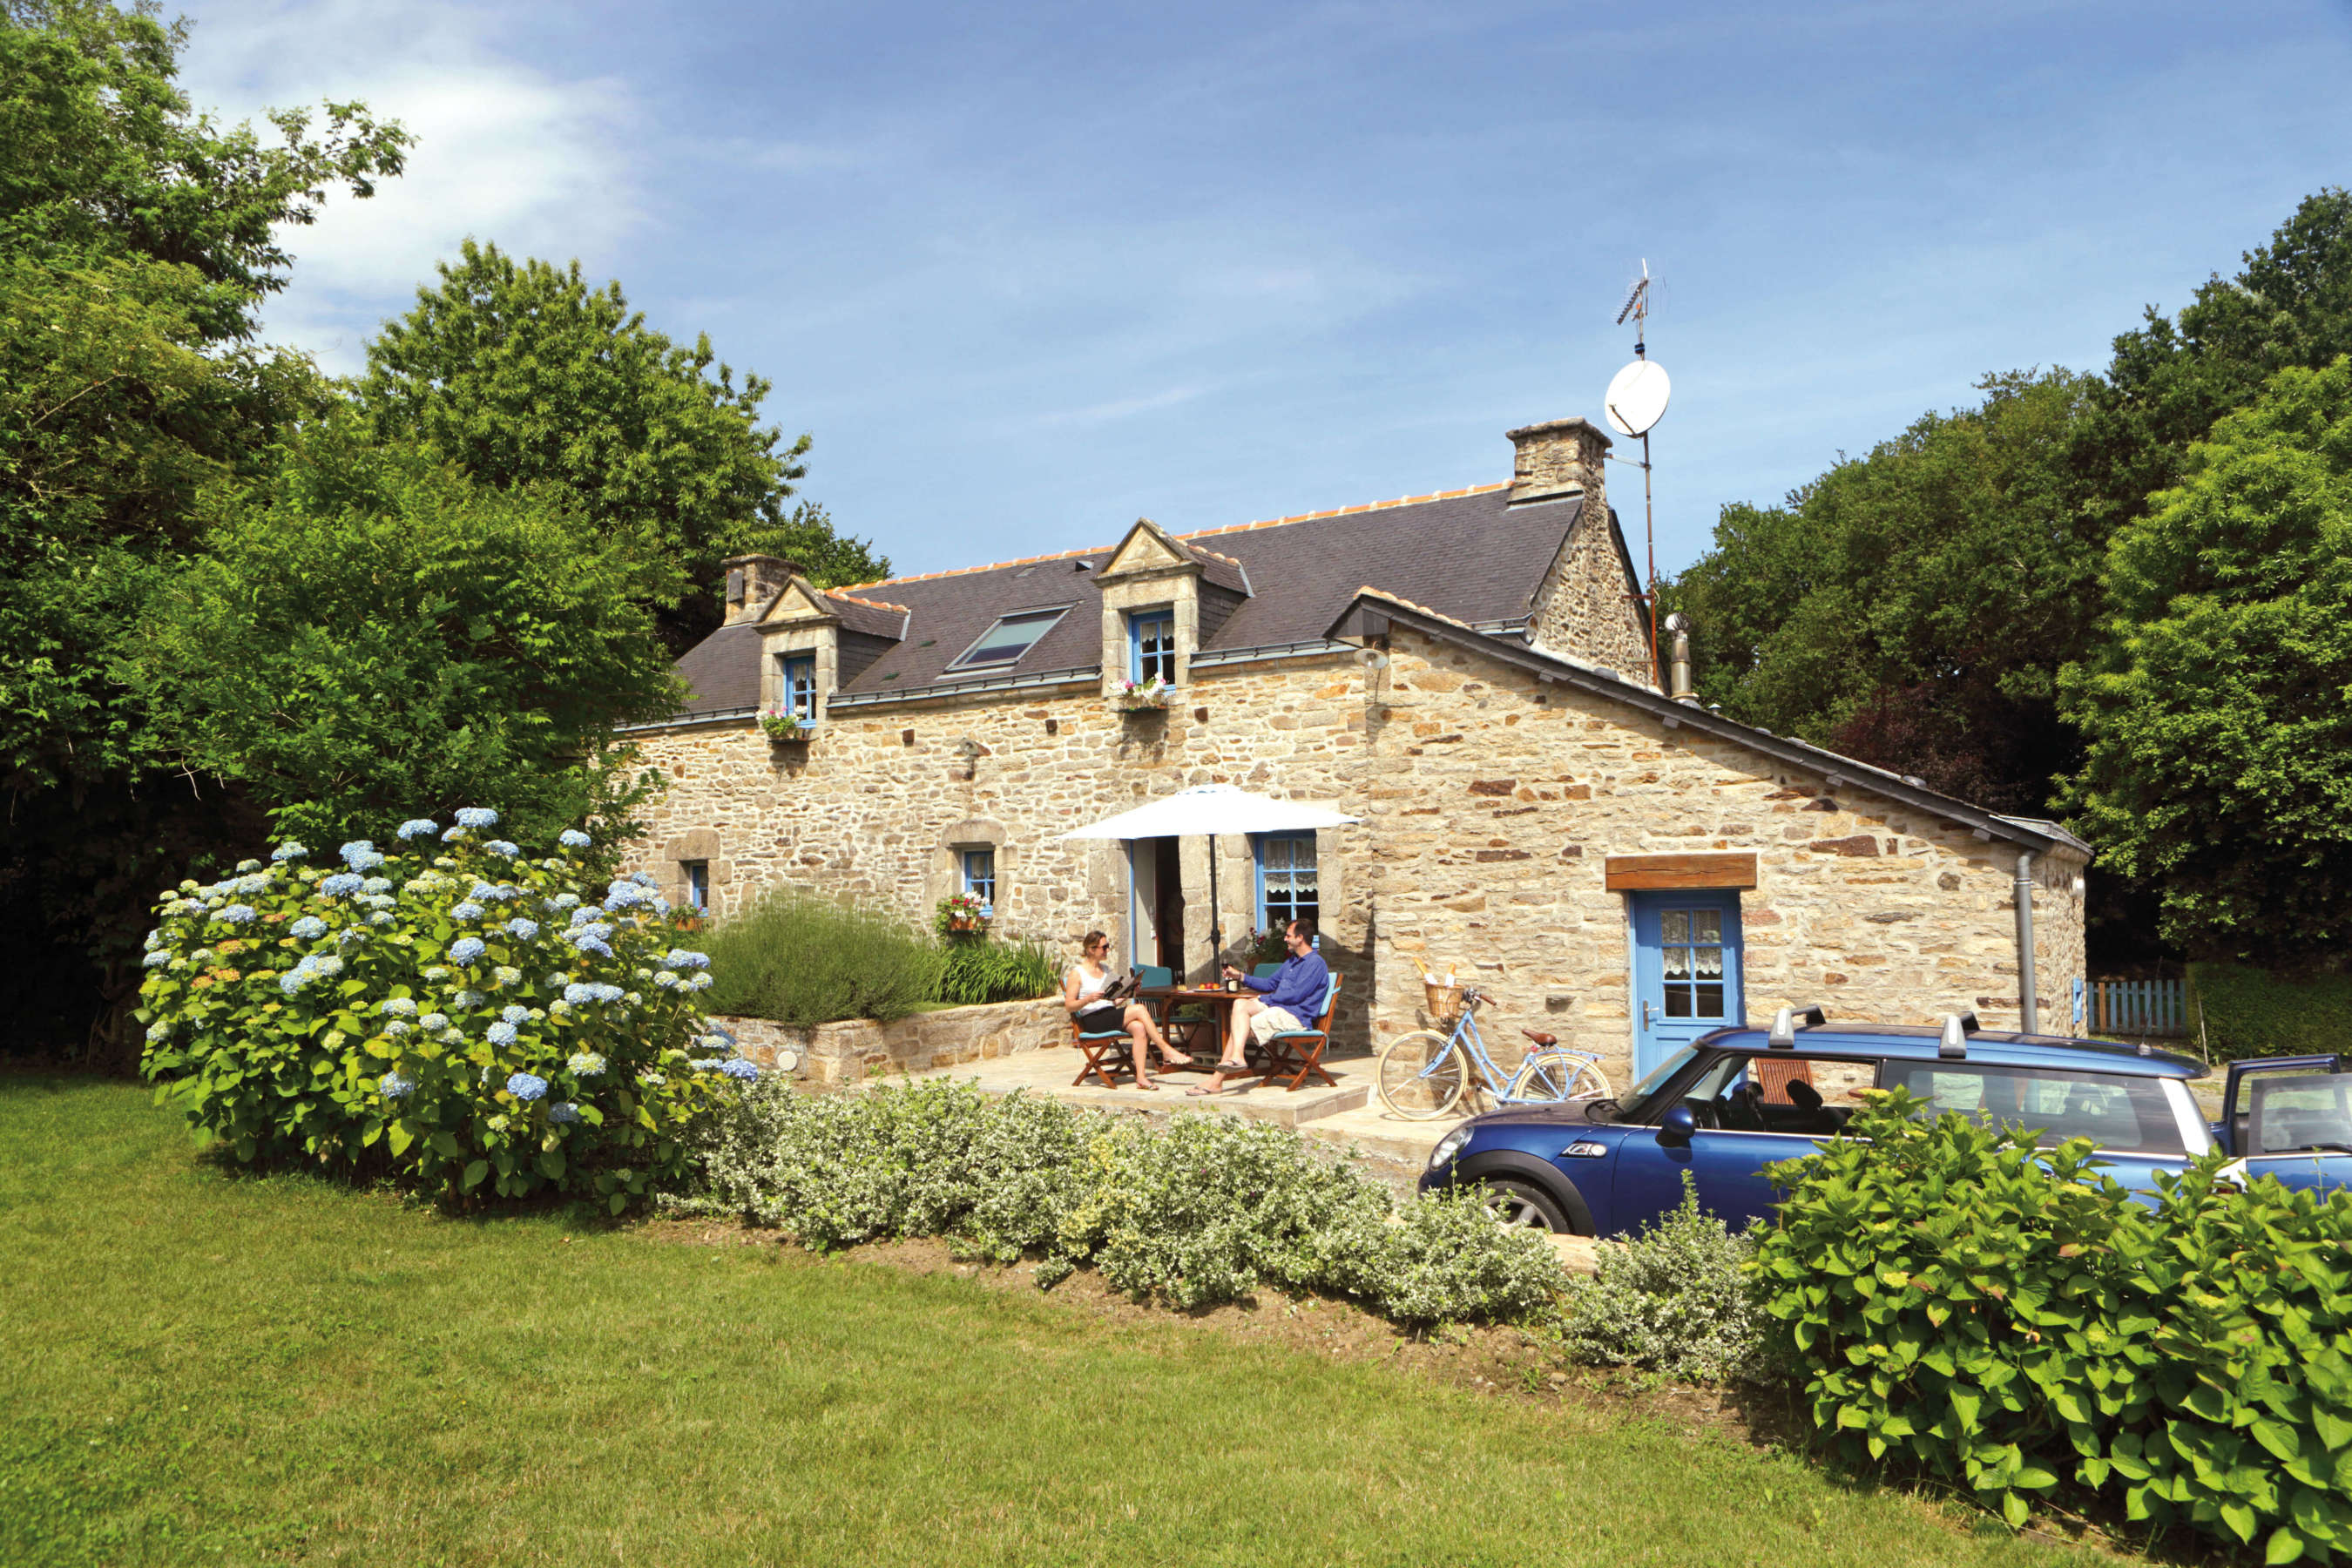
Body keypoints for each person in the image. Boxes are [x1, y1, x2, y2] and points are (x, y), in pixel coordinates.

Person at [1188, 917, 1328, 1097]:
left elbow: (1296, 995)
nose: (1285, 939)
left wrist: (1264, 999)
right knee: (1240, 1004)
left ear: (1300, 938)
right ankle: (1238, 1056)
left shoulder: (1315, 963)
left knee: (1240, 1027)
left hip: (1296, 1016)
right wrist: (1239, 976)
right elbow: (1270, 983)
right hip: (1280, 1009)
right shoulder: (1292, 962)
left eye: (1288, 936)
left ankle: (1217, 1080)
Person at [1062, 931, 1192, 1090]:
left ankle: (1141, 1078)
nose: (1107, 950)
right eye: (1104, 947)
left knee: (1139, 1027)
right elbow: (1069, 1006)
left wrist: (1130, 992)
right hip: (1093, 1020)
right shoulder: (1077, 973)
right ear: (1091, 949)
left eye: (1108, 946)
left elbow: (1112, 1000)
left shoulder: (1106, 970)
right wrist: (1088, 999)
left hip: (1109, 1014)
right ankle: (1165, 1049)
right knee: (1139, 1008)